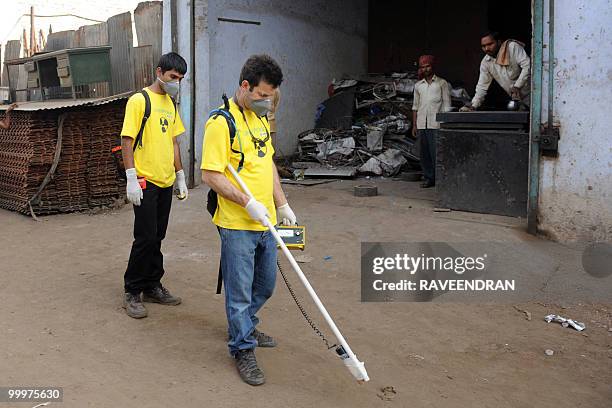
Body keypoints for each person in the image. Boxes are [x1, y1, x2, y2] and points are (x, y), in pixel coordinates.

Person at [201, 54, 296, 386]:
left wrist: (281, 205)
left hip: (266, 221)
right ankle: (242, 347)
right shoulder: (220, 123)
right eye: (262, 95)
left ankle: (244, 324)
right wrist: (247, 202)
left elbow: (267, 164)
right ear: (245, 86)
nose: (267, 101)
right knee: (239, 291)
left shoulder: (260, 120)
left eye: (270, 96)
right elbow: (210, 175)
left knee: (265, 284)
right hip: (237, 223)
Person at [120, 52, 189, 319]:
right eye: (173, 77)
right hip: (144, 180)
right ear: (159, 72)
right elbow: (127, 140)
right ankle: (132, 290)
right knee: (145, 236)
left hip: (165, 180)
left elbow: (173, 141)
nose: (176, 82)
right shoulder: (139, 101)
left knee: (158, 235)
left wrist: (180, 175)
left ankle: (152, 284)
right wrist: (131, 178)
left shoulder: (171, 104)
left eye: (181, 78)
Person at [462, 31, 531, 111]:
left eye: (490, 44)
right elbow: (482, 87)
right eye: (483, 46)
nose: (486, 48)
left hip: (535, 95)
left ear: (499, 42)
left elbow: (527, 66)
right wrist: (473, 105)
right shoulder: (486, 62)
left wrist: (517, 86)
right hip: (518, 101)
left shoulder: (512, 47)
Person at [412, 55, 451, 188]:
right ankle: (429, 178)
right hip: (422, 124)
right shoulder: (418, 86)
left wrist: (445, 124)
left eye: (428, 66)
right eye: (423, 67)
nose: (425, 69)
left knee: (437, 154)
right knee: (425, 154)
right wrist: (414, 125)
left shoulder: (442, 83)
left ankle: (440, 179)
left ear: (433, 66)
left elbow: (446, 106)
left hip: (436, 124)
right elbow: (415, 107)